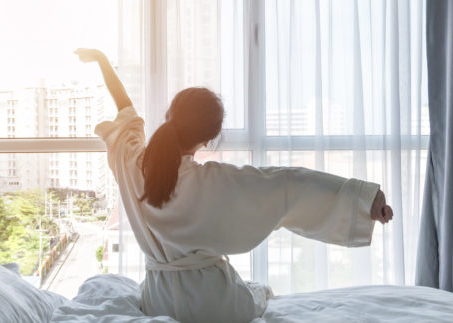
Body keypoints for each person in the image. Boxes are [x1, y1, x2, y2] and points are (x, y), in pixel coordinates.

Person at [75, 48, 394, 323]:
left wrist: (103, 61)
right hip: (214, 306)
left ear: (169, 114)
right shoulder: (212, 182)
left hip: (157, 300)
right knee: (261, 292)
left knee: (258, 290)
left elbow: (125, 110)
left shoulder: (131, 162)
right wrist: (366, 200)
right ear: (206, 139)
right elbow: (288, 185)